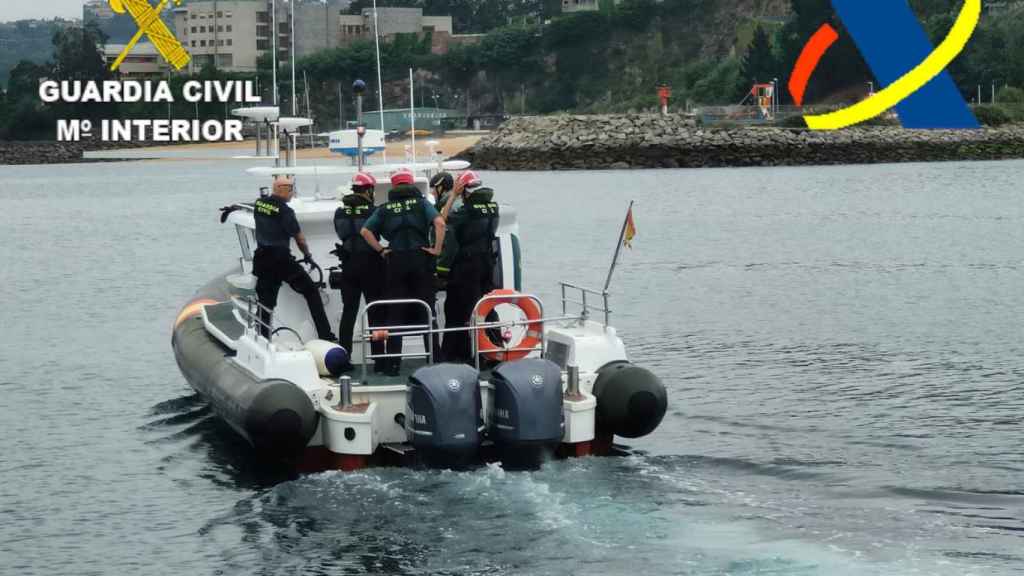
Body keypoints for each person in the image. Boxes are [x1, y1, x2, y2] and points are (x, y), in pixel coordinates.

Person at [360, 168, 445, 376]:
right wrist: (436, 249)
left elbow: (365, 231)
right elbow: (440, 223)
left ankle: (392, 366)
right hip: (420, 260)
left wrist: (381, 250)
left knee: (395, 313)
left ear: (394, 186)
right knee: (428, 311)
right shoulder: (423, 204)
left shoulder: (385, 208)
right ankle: (434, 363)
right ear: (411, 184)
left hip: (396, 261)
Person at [253, 175, 336, 342]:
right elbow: (300, 239)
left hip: (262, 259)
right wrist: (307, 255)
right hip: (281, 260)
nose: (293, 193)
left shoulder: (259, 204)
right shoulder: (285, 211)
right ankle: (325, 335)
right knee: (312, 292)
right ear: (282, 189)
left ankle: (262, 337)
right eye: (291, 189)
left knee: (266, 302)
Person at [439, 170, 500, 363]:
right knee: (487, 307)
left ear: (464, 189)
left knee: (465, 308)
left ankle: (472, 354)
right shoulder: (492, 207)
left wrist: (453, 195)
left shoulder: (467, 210)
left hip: (468, 265)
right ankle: (494, 347)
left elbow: (442, 218)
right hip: (487, 263)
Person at [333, 172, 385, 372]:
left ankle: (343, 360)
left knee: (349, 312)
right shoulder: (374, 210)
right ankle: (380, 361)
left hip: (349, 267)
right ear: (369, 190)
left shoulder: (339, 212)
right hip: (371, 266)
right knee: (375, 312)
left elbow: (341, 234)